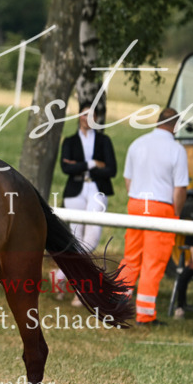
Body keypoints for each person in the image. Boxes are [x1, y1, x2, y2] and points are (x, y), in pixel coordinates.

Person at [117, 107, 190, 326]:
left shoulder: (138, 143)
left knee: (131, 257)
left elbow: (128, 180)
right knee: (153, 261)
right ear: (175, 126)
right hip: (161, 207)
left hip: (137, 204)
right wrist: (175, 214)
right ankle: (145, 314)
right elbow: (180, 188)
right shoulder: (177, 150)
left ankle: (118, 306)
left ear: (158, 122)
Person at [54, 104, 117, 304]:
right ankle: (81, 290)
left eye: (91, 114)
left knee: (91, 238)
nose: (86, 117)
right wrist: (92, 164)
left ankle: (61, 275)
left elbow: (111, 170)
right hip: (75, 192)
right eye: (84, 113)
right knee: (75, 236)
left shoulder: (104, 141)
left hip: (97, 190)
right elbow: (65, 167)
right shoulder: (71, 141)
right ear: (79, 116)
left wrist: (79, 167)